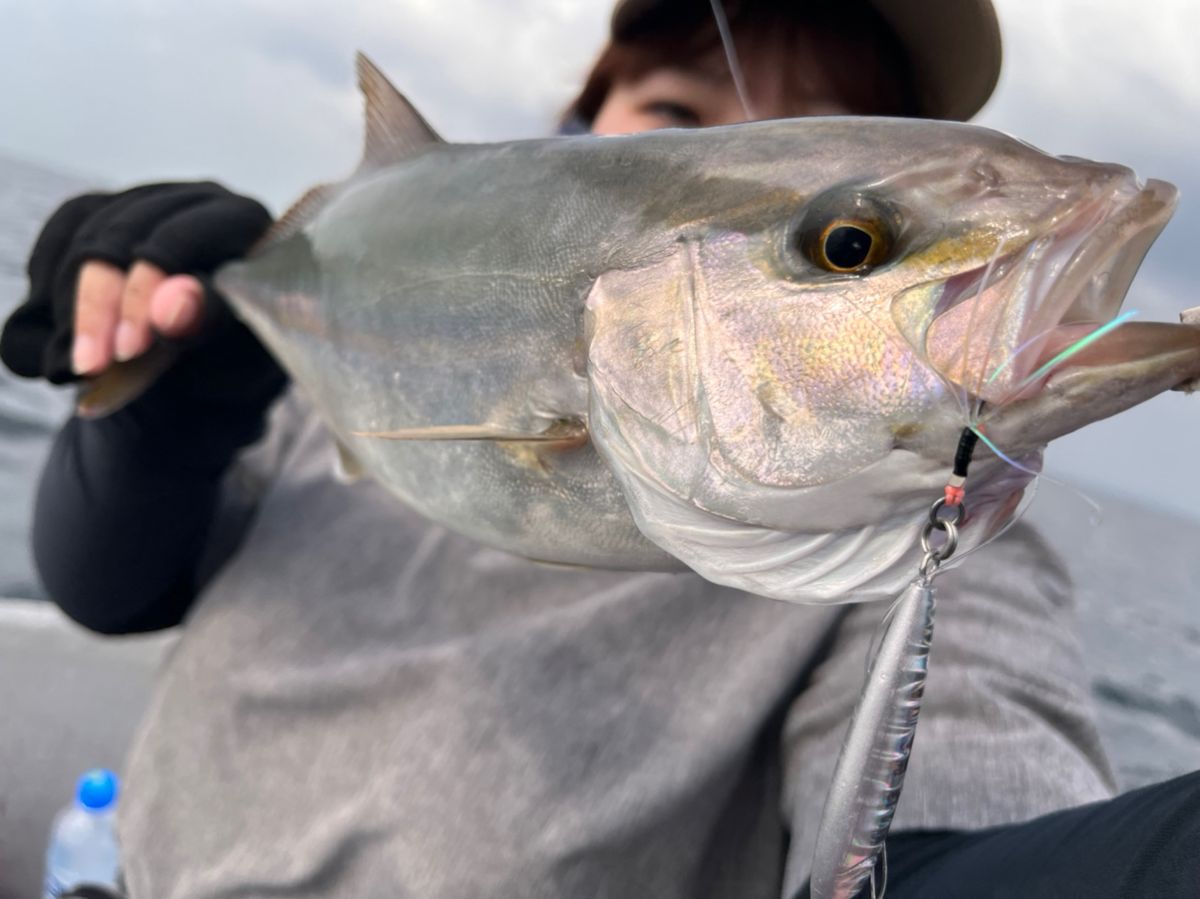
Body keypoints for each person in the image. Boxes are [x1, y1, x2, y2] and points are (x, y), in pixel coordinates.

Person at [2, 1, 1196, 897]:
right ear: (586, 125)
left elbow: (946, 850)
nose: (749, 135)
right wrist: (162, 408)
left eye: (820, 151)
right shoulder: (384, 317)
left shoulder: (927, 543)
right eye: (847, 244)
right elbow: (115, 581)